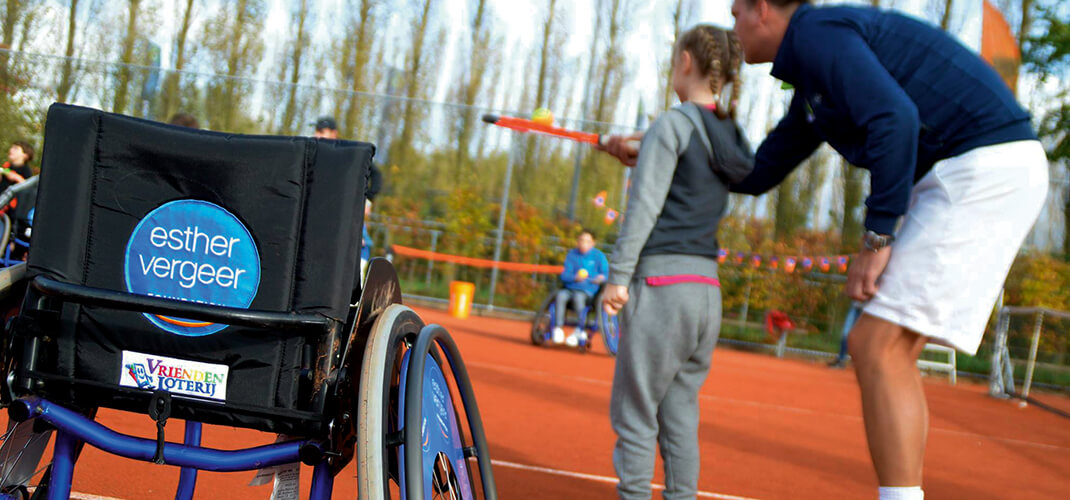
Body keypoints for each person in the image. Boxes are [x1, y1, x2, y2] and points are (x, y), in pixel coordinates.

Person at [603, 2, 1046, 498]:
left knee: (875, 345)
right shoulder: (813, 77)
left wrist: (878, 236)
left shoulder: (818, 33)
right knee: (888, 349)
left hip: (982, 164)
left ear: (763, 10)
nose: (733, 28)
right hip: (977, 167)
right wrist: (658, 149)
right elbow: (756, 173)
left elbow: (894, 117)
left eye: (736, 13)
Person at [600, 25, 752, 499]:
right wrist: (640, 149)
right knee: (680, 414)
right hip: (705, 292)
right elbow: (690, 170)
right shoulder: (729, 131)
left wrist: (618, 277)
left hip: (660, 287)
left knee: (636, 414)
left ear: (686, 62)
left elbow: (643, 208)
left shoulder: (672, 124)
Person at [553, 230, 609, 346]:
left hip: (588, 292)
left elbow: (606, 275)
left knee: (578, 297)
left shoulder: (599, 256)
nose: (584, 244)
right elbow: (564, 275)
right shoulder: (572, 255)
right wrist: (575, 277)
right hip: (570, 289)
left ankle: (579, 330)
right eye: (581, 241)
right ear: (578, 242)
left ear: (593, 243)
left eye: (587, 241)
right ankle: (558, 328)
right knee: (560, 295)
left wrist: (600, 278)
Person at [313, 116, 383, 201]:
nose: (316, 135)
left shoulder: (348, 152)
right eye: (316, 131)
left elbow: (376, 174)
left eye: (321, 132)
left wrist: (368, 199)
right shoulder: (313, 153)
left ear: (334, 133)